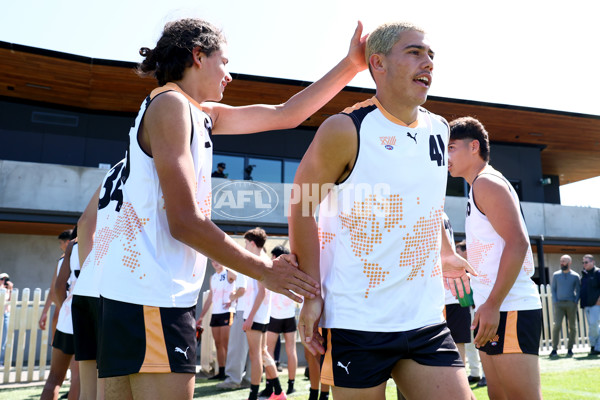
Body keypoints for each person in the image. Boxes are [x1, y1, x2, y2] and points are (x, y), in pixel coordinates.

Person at [92, 17, 367, 400]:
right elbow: (185, 222)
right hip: (153, 298)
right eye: (225, 62)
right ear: (198, 56)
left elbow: (286, 113)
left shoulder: (195, 112)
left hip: (136, 297)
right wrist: (264, 270)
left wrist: (352, 64)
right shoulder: (171, 105)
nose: (230, 75)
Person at [289, 22, 474, 400]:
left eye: (431, 55)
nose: (428, 63)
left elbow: (428, 204)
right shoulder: (345, 128)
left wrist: (445, 250)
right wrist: (311, 293)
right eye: (415, 52)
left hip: (424, 320)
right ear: (378, 63)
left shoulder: (440, 129)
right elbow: (301, 206)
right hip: (357, 321)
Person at [448, 116, 543, 400]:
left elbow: (518, 243)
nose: (445, 156)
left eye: (451, 147)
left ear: (474, 146)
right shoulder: (477, 187)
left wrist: (491, 304)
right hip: (492, 309)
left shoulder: (486, 183)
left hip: (509, 307)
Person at [241, 228, 285, 400]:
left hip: (257, 316)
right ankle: (279, 392)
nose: (244, 246)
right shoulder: (265, 259)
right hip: (261, 315)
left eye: (245, 243)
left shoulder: (260, 261)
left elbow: (262, 292)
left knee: (256, 356)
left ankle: (253, 395)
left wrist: (250, 317)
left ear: (252, 243)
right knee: (264, 353)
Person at [41, 230, 81, 400]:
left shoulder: (65, 257)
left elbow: (56, 289)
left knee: (54, 377)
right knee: (78, 379)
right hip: (86, 319)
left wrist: (65, 309)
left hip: (66, 318)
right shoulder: (97, 250)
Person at [261, 245, 299, 397]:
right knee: (291, 350)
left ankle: (270, 386)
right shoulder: (295, 273)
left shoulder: (273, 271)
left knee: (268, 352)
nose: (271, 259)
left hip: (275, 316)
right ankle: (291, 385)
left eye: (273, 256)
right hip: (289, 316)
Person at [196, 260, 237, 380]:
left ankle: (232, 372)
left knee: (226, 344)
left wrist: (234, 296)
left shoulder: (229, 273)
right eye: (213, 261)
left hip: (227, 312)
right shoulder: (213, 277)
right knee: (218, 344)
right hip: (216, 314)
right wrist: (201, 316)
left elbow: (242, 282)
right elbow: (210, 298)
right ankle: (221, 372)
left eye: (217, 260)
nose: (215, 263)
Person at [456, 240, 486, 387]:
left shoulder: (477, 263)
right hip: (466, 307)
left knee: (482, 341)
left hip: (480, 307)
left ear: (466, 252)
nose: (457, 255)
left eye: (459, 252)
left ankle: (486, 375)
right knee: (469, 343)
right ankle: (475, 373)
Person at [215, 269, 252, 390]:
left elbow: (242, 289)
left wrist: (233, 296)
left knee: (237, 346)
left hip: (243, 310)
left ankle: (233, 379)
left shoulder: (243, 266)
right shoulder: (262, 264)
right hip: (256, 312)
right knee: (254, 348)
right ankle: (250, 378)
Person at [39, 229, 73, 342]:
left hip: (65, 307)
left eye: (61, 243)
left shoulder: (63, 260)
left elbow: (54, 289)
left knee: (59, 348)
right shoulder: (84, 258)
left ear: (68, 242)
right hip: (81, 309)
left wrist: (44, 313)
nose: (60, 246)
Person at [550, 254, 580, 357]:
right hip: (559, 304)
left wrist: (575, 301)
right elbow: (553, 289)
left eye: (564, 261)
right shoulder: (556, 275)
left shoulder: (575, 276)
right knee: (556, 326)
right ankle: (554, 349)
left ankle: (570, 349)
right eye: (561, 260)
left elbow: (578, 290)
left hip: (571, 304)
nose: (562, 262)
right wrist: (555, 301)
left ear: (569, 262)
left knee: (572, 327)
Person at [580, 254, 600, 356]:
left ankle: (596, 347)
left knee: (594, 326)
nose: (584, 264)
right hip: (586, 305)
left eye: (586, 262)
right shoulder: (584, 274)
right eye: (583, 262)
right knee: (593, 327)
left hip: (596, 305)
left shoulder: (598, 272)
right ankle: (595, 347)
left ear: (593, 262)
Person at [0, 272, 13, 365]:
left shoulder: (8, 290)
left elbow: (10, 302)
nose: (4, 281)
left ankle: (1, 361)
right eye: (2, 279)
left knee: (4, 339)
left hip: (6, 315)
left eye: (6, 280)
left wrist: (10, 290)